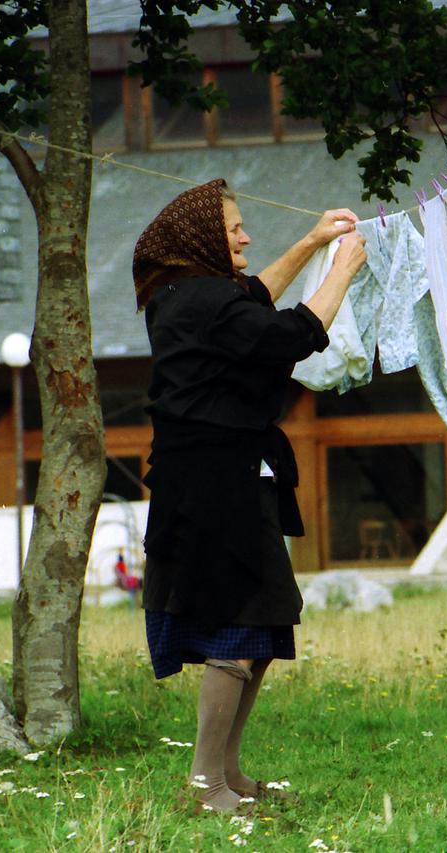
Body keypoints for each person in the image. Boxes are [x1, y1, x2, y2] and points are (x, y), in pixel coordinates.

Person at [134, 178, 366, 813]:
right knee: (237, 624)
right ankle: (206, 784)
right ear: (202, 236)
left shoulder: (189, 293)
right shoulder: (202, 299)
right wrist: (343, 268)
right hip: (214, 488)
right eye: (234, 228)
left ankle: (228, 773)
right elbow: (289, 335)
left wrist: (312, 240)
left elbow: (254, 296)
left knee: (261, 621)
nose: (245, 236)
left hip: (224, 477)